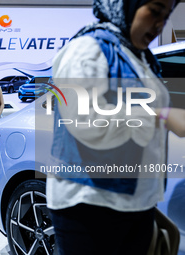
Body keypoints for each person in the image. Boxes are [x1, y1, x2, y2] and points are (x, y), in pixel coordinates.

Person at [47, 0, 183, 254]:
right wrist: (159, 115)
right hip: (90, 204)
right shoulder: (88, 49)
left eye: (166, 15)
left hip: (132, 202)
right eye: (155, 11)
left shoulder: (137, 56)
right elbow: (82, 120)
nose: (159, 24)